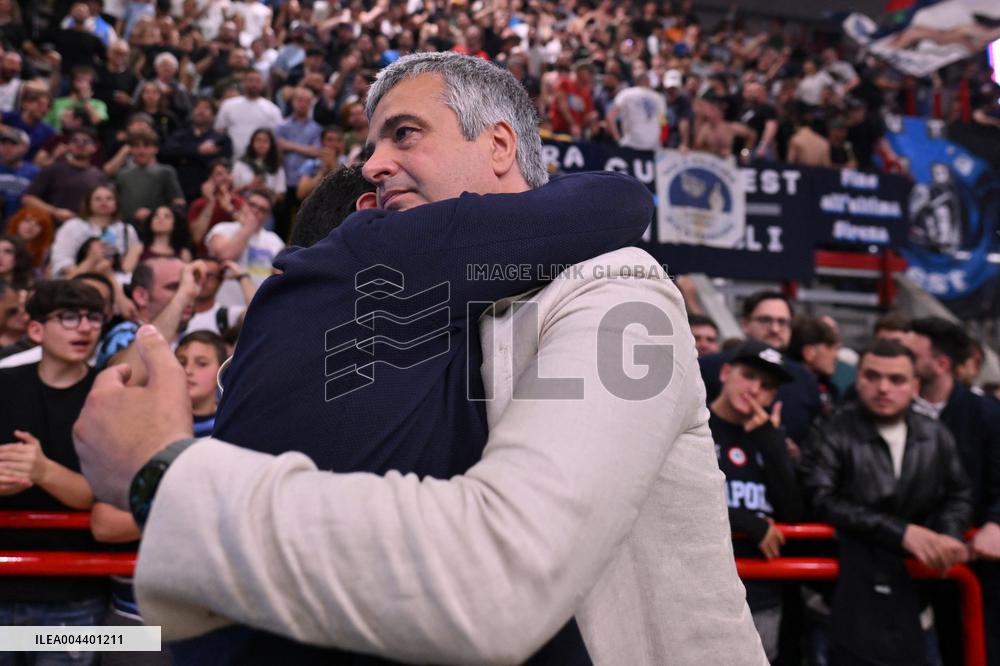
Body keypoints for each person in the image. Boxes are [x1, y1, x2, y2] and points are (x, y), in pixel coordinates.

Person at [74, 52, 766, 666]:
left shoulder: (615, 287)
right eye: (369, 145)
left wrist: (169, 478)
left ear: (500, 145)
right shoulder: (405, 290)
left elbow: (504, 576)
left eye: (405, 133)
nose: (371, 164)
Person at [800, 340, 973, 666]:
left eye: (896, 380)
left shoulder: (935, 435)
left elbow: (958, 494)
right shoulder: (831, 430)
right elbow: (821, 498)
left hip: (914, 597)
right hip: (839, 597)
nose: (883, 388)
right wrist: (902, 532)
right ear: (858, 379)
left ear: (914, 386)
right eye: (872, 376)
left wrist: (948, 534)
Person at [0, 280, 108, 664]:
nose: (84, 327)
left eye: (94, 317)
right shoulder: (5, 384)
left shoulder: (108, 397)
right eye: (68, 317)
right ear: (35, 330)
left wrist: (43, 471)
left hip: (72, 597)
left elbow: (105, 500)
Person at [710, 339, 803, 662]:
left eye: (766, 386)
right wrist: (745, 520)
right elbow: (672, 503)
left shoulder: (770, 440)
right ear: (725, 372)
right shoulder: (694, 429)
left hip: (761, 593)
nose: (754, 389)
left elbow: (794, 512)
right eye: (748, 375)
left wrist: (771, 444)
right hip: (702, 586)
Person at [699, 291, 822, 446]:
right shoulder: (709, 367)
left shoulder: (805, 378)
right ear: (745, 324)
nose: (775, 329)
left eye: (782, 322)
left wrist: (797, 456)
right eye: (765, 320)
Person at [95, 257, 203, 368]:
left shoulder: (192, 337)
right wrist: (182, 296)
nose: (189, 293)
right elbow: (128, 378)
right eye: (174, 287)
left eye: (189, 285)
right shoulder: (123, 334)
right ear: (141, 296)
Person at [204, 189, 283, 307]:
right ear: (244, 205)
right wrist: (249, 227)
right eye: (252, 205)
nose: (256, 211)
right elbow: (225, 255)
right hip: (224, 306)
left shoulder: (274, 240)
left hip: (258, 308)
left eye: (262, 209)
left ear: (267, 216)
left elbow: (280, 276)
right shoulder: (223, 229)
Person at [49, 183, 142, 278]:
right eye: (98, 199)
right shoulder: (72, 226)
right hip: (78, 280)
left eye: (109, 199)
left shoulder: (126, 229)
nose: (104, 202)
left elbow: (132, 262)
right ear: (88, 203)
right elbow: (61, 259)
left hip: (118, 282)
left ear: (116, 203)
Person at [21, 126, 108, 224]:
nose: (80, 144)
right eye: (75, 141)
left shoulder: (99, 176)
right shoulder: (53, 169)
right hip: (52, 229)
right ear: (68, 145)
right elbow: (28, 199)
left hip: (86, 231)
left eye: (85, 141)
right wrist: (55, 212)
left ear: (94, 148)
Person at [159, 96, 233, 203]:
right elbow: (166, 151)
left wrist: (185, 153)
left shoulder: (221, 139)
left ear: (214, 115)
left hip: (207, 192)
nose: (201, 111)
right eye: (198, 107)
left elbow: (221, 163)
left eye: (206, 108)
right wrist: (197, 150)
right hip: (179, 189)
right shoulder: (180, 135)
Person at [113, 128, 186, 224]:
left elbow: (179, 203)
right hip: (127, 227)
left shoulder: (166, 172)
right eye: (136, 146)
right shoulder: (122, 175)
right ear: (130, 149)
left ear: (155, 148)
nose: (141, 150)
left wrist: (153, 213)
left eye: (146, 146)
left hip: (155, 226)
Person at [214, 69, 283, 159]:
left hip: (262, 162)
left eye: (257, 81)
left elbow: (278, 138)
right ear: (243, 82)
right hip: (232, 159)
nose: (254, 84)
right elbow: (219, 131)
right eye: (250, 80)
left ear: (262, 84)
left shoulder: (273, 109)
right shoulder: (228, 105)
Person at [176, 330, 225, 437]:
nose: (188, 370)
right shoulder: (157, 422)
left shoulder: (229, 427)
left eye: (202, 364)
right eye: (181, 362)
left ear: (221, 371)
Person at [604, 72, 665, 151]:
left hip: (632, 145)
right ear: (649, 82)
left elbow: (610, 117)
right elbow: (663, 124)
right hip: (653, 148)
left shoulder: (626, 93)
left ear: (636, 82)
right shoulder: (659, 98)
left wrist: (618, 140)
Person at [0, 125, 38, 221]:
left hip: (20, 226)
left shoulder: (34, 172)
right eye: (3, 143)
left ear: (25, 147)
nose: (7, 148)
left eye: (13, 144)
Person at [6, 206, 53, 270]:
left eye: (38, 224)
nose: (31, 226)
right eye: (27, 221)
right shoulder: (3, 244)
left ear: (43, 230)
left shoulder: (45, 252)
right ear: (17, 222)